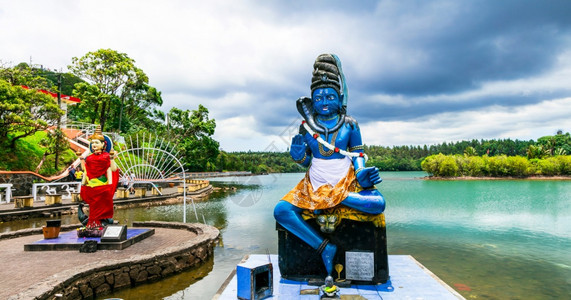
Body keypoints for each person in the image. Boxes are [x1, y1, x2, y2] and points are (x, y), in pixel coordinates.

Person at [274, 54, 385, 276]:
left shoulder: (350, 125)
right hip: (314, 183)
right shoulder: (307, 128)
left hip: (345, 181)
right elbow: (307, 162)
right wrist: (298, 157)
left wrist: (361, 173)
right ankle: (323, 246)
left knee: (377, 204)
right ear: (311, 101)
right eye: (319, 98)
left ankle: (337, 197)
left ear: (340, 97)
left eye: (330, 97)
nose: (324, 103)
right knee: (282, 210)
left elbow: (357, 154)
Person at [78, 126, 119, 229]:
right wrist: (82, 186)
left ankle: (99, 222)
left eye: (97, 142)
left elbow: (111, 169)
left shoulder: (106, 156)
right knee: (93, 207)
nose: (94, 145)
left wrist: (111, 158)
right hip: (91, 185)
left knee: (102, 207)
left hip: (103, 185)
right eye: (92, 142)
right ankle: (93, 224)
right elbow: (86, 171)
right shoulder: (90, 158)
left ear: (103, 144)